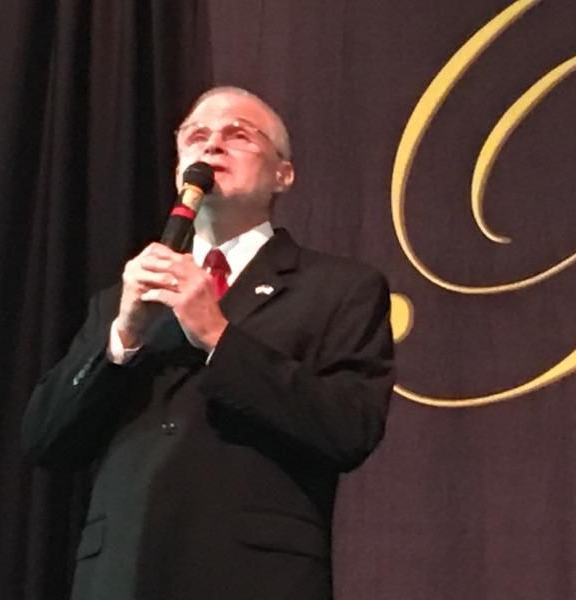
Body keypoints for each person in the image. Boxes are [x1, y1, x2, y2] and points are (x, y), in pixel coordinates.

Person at [21, 86, 395, 600]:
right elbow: (46, 439)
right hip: (122, 576)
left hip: (253, 578)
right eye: (196, 136)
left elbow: (350, 428)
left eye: (238, 134)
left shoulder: (339, 288)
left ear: (283, 174)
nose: (212, 144)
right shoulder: (124, 297)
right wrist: (122, 336)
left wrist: (219, 337)